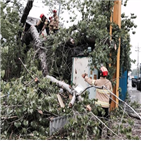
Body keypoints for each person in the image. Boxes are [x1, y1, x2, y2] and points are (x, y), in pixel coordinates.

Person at [82, 66, 113, 138]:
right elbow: (111, 94)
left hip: (99, 105)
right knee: (106, 119)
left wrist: (85, 77)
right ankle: (108, 133)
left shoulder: (98, 82)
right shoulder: (109, 83)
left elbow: (90, 81)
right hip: (106, 105)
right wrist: (109, 102)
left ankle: (99, 135)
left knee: (99, 120)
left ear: (101, 74)